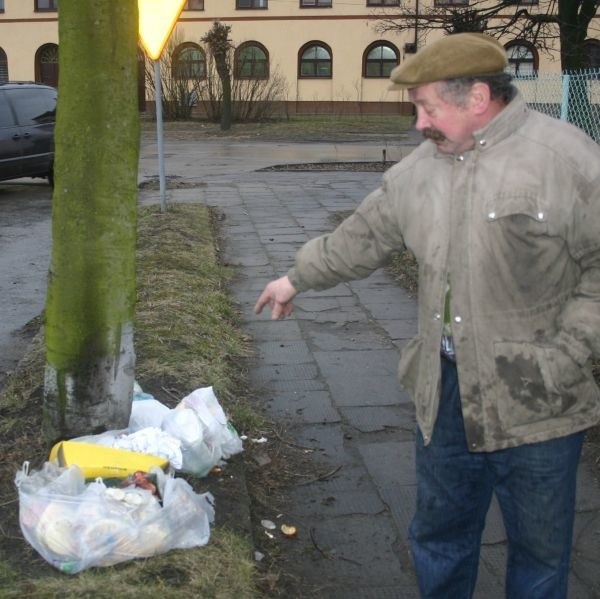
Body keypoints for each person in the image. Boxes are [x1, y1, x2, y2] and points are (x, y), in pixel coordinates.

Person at [254, 32, 600, 598]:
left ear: (477, 99)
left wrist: (568, 354)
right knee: (440, 538)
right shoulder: (420, 171)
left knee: (540, 554)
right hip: (442, 394)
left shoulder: (566, 160)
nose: (419, 124)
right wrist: (295, 278)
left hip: (539, 398)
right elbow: (362, 236)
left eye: (427, 106)